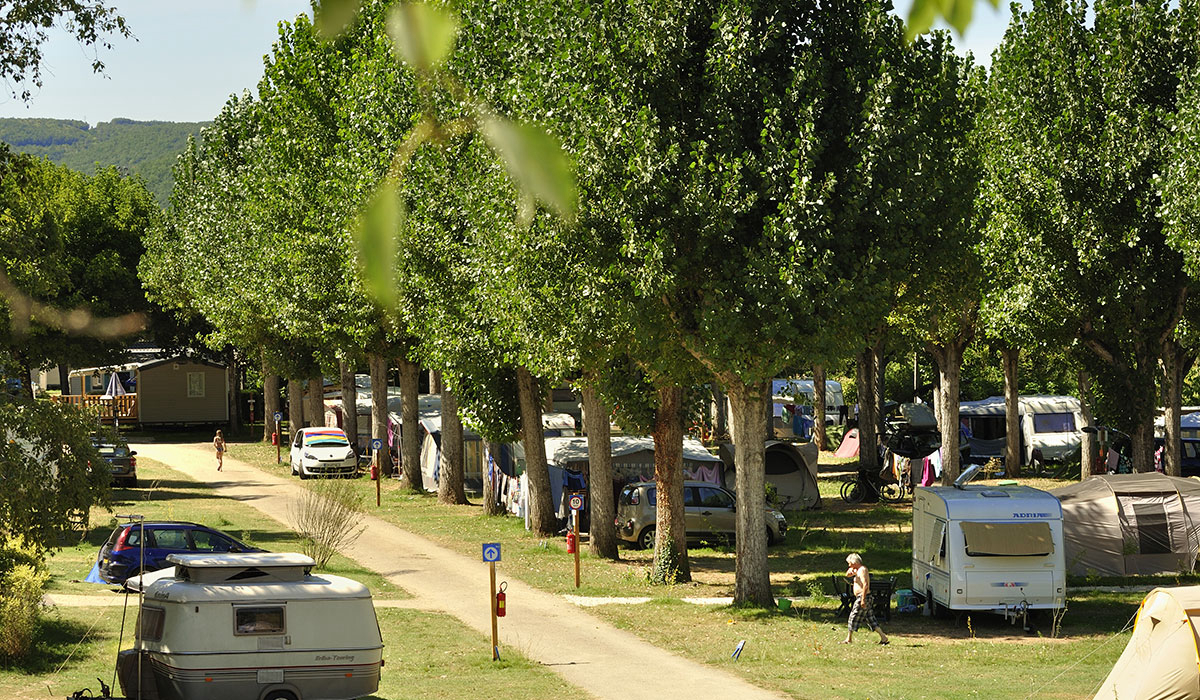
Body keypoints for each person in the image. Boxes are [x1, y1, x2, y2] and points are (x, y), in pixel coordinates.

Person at [841, 552, 889, 645]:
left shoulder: (862, 570)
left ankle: (849, 639)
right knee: (870, 618)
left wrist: (862, 599)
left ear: (854, 562)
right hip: (863, 597)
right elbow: (847, 575)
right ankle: (884, 637)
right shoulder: (857, 570)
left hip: (863, 597)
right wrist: (851, 570)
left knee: (853, 616)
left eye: (849, 563)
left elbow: (865, 585)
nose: (848, 564)